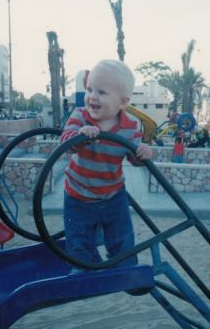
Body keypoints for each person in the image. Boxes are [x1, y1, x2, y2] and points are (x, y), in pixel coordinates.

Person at [60, 59, 152, 271]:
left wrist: (143, 154)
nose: (92, 96)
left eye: (101, 92)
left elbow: (133, 157)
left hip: (113, 195)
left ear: (122, 102)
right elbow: (66, 143)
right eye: (89, 89)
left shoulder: (132, 126)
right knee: (78, 241)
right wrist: (80, 136)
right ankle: (86, 272)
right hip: (78, 194)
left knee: (122, 238)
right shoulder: (80, 116)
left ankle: (125, 270)